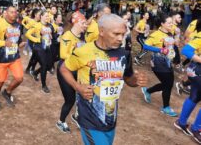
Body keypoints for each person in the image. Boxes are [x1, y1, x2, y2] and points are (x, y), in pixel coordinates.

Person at [60, 14, 147, 145]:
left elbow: (128, 78)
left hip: (110, 118)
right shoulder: (83, 51)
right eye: (116, 34)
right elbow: (64, 69)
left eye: (123, 34)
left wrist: (136, 81)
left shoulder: (124, 54)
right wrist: (77, 87)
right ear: (101, 31)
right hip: (89, 118)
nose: (120, 39)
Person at [0, 5, 25, 109]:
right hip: (1, 58)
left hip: (14, 57)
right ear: (6, 13)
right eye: (12, 12)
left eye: (15, 12)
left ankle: (7, 91)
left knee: (19, 78)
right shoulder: (0, 24)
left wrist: (20, 44)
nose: (14, 14)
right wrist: (3, 43)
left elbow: (18, 39)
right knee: (0, 82)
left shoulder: (18, 25)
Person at [141, 14, 178, 117]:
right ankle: (166, 107)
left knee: (168, 84)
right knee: (168, 84)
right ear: (162, 24)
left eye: (172, 22)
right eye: (169, 23)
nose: (171, 24)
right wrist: (160, 49)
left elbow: (171, 47)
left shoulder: (170, 33)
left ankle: (148, 91)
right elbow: (145, 45)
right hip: (157, 63)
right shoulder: (156, 34)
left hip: (168, 62)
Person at [56, 11, 87, 133]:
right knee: (70, 100)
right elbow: (63, 55)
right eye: (84, 23)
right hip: (65, 70)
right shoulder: (67, 36)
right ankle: (61, 121)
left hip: (78, 70)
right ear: (77, 23)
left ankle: (77, 116)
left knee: (81, 96)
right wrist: (80, 57)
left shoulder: (82, 37)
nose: (86, 25)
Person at [174, 31, 201, 143]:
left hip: (195, 70)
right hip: (198, 70)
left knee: (195, 97)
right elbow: (186, 50)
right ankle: (197, 129)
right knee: (195, 96)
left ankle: (181, 122)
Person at [25, 10, 55, 93]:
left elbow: (51, 35)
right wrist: (37, 39)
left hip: (47, 47)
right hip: (39, 48)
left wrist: (50, 36)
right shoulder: (37, 25)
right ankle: (44, 86)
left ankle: (35, 72)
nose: (47, 17)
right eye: (46, 16)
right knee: (44, 66)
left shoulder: (50, 25)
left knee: (49, 66)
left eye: (48, 16)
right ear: (41, 16)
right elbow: (27, 34)